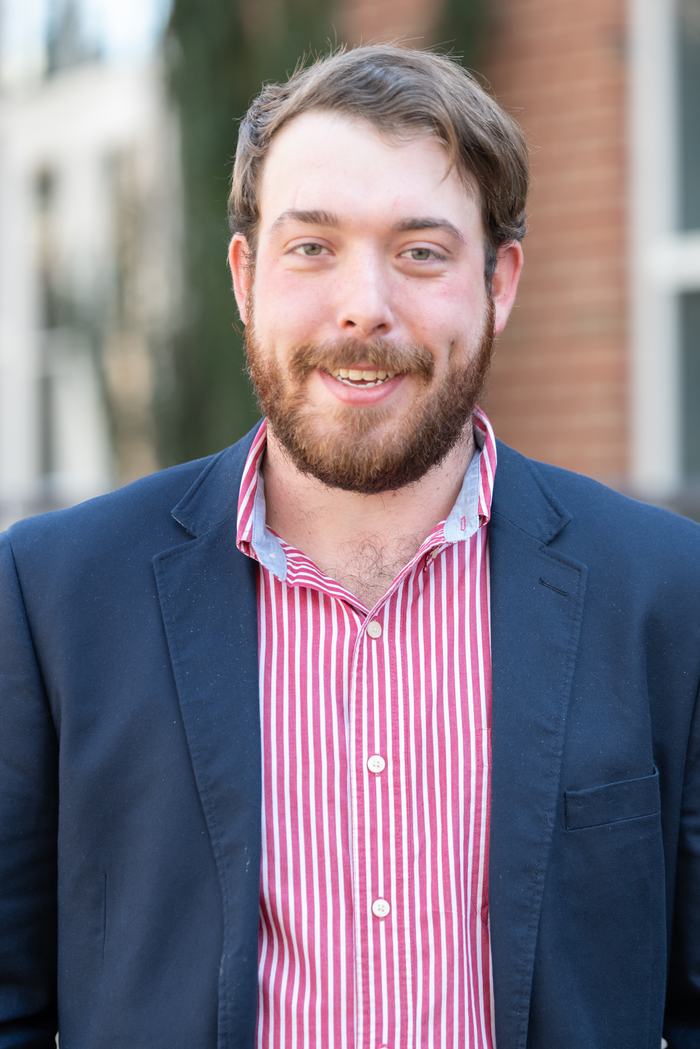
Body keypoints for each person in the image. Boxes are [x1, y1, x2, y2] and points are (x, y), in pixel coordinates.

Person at [0, 43, 697, 1049]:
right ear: (244, 276)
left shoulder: (668, 595)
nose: (362, 303)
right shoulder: (53, 597)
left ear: (498, 281)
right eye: (312, 247)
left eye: (420, 250)